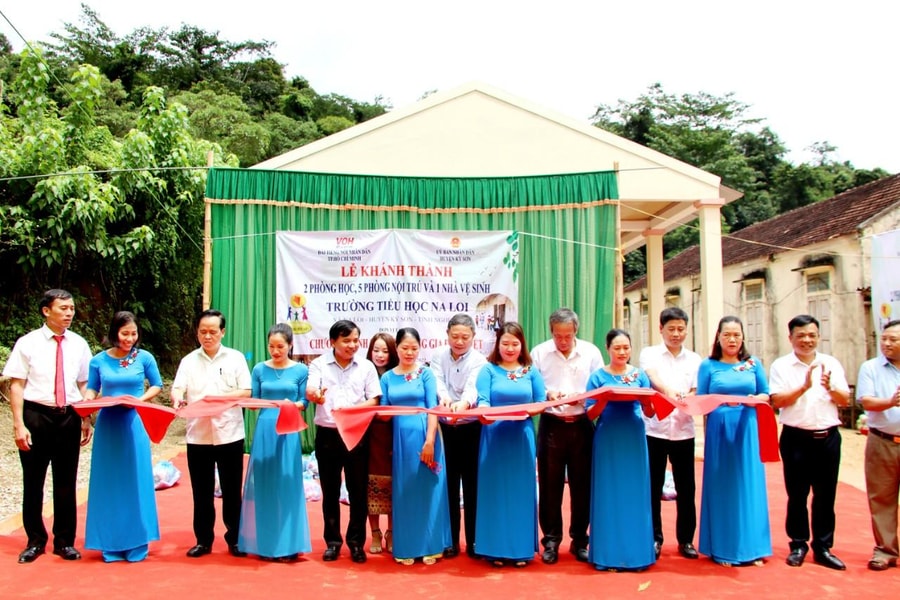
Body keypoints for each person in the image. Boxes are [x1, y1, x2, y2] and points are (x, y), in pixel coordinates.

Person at [4, 289, 93, 563]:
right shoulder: (28, 343)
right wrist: (19, 424)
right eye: (63, 308)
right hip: (36, 416)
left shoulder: (79, 344)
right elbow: (16, 384)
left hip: (68, 416)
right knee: (33, 481)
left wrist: (86, 416)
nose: (69, 313)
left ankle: (64, 541)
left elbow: (85, 383)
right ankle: (35, 540)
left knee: (66, 482)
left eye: (71, 308)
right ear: (46, 311)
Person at [769, 314, 849, 570]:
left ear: (819, 336)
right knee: (797, 495)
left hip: (827, 438)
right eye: (801, 335)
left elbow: (845, 399)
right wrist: (803, 387)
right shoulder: (781, 366)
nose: (807, 340)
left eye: (812, 335)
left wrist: (831, 388)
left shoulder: (831, 363)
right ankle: (798, 544)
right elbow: (777, 401)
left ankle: (823, 547)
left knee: (826, 495)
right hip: (796, 438)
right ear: (790, 337)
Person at [84, 311, 163, 562]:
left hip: (134, 422)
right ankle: (110, 542)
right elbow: (92, 389)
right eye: (124, 333)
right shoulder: (98, 361)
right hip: (108, 424)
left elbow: (157, 385)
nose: (129, 338)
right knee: (108, 482)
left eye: (133, 333)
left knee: (136, 480)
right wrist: (86, 405)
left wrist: (139, 400)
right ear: (114, 333)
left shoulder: (144, 358)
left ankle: (137, 541)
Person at [171, 309, 251, 558]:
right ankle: (203, 540)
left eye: (213, 332)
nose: (207, 336)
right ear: (197, 333)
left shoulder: (235, 358)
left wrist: (218, 399)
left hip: (229, 433)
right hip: (199, 434)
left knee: (231, 490)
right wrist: (177, 398)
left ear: (222, 332)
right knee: (201, 492)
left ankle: (235, 539)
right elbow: (178, 388)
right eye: (203, 332)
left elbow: (246, 391)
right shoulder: (188, 361)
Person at [530, 308, 604, 564]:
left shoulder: (591, 352)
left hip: (582, 424)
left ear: (576, 331)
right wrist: (548, 394)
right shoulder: (539, 353)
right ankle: (551, 541)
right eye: (558, 336)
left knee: (582, 485)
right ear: (551, 331)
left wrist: (584, 399)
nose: (563, 341)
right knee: (549, 486)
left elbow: (600, 386)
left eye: (568, 336)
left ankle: (580, 540)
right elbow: (533, 387)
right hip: (552, 424)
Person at [697, 316, 771, 566]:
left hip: (747, 428)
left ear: (743, 337)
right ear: (718, 337)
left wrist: (753, 399)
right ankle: (723, 548)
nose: (732, 339)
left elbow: (765, 393)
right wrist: (720, 401)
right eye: (727, 334)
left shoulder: (753, 364)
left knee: (748, 485)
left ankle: (753, 549)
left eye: (736, 335)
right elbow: (701, 400)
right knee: (723, 486)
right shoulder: (708, 365)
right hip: (720, 429)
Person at [307, 320, 381, 563]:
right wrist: (316, 396)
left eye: (355, 340)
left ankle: (356, 543)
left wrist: (351, 411)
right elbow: (311, 391)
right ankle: (333, 542)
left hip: (357, 433)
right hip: (328, 434)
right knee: (329, 491)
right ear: (333, 342)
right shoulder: (319, 364)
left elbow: (374, 400)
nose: (352, 345)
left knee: (358, 491)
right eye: (346, 340)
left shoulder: (366, 366)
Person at [237, 323, 311, 561]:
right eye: (271, 346)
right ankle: (264, 544)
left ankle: (288, 545)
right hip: (265, 429)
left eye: (280, 346)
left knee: (287, 485)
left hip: (288, 428)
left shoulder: (301, 370)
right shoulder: (259, 369)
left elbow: (304, 403)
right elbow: (254, 401)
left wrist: (289, 405)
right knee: (264, 485)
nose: (275, 351)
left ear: (290, 345)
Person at [474, 322, 545, 567]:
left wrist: (525, 411)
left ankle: (520, 549)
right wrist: (485, 412)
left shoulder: (531, 372)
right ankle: (494, 549)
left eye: (515, 344)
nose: (510, 348)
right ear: (498, 345)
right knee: (494, 491)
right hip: (494, 436)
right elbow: (483, 400)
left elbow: (541, 402)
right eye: (505, 343)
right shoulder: (488, 370)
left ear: (522, 345)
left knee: (520, 491)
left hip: (521, 437)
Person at [585, 329, 656, 571]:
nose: (622, 352)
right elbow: (590, 414)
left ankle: (637, 555)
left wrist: (646, 400)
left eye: (626, 348)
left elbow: (650, 412)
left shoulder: (639, 375)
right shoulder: (597, 376)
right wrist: (604, 399)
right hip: (608, 437)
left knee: (635, 493)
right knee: (608, 492)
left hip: (633, 437)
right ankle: (608, 556)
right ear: (607, 349)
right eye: (617, 348)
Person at [380, 327, 451, 565]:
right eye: (405, 348)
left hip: (426, 435)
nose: (409, 353)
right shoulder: (387, 378)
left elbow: (432, 408)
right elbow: (384, 413)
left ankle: (432, 546)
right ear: (396, 348)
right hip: (401, 440)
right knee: (406, 491)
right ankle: (407, 547)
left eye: (414, 348)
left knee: (428, 491)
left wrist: (430, 441)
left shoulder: (425, 374)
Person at [638, 307, 702, 560]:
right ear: (661, 329)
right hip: (655, 429)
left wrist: (688, 397)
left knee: (687, 488)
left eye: (681, 329)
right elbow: (652, 378)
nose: (676, 334)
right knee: (652, 487)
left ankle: (686, 540)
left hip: (684, 430)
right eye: (671, 329)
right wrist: (669, 392)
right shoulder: (649, 354)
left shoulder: (695, 360)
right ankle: (654, 538)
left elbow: (697, 389)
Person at [430, 314, 487, 559]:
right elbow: (437, 382)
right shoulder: (438, 356)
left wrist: (463, 404)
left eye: (465, 337)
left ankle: (474, 541)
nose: (460, 341)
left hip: (471, 428)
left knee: (473, 485)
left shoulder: (479, 360)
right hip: (446, 429)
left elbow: (474, 388)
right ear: (447, 334)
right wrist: (444, 400)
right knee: (448, 485)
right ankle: (450, 541)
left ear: (474, 336)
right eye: (455, 336)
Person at [856, 319, 900, 571]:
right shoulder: (871, 367)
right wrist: (891, 402)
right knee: (881, 497)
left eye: (893, 339)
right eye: (884, 339)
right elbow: (867, 402)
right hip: (882, 440)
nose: (887, 344)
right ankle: (885, 550)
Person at [365, 332, 398, 554]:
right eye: (376, 350)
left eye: (385, 351)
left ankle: (392, 532)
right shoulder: (363, 372)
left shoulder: (397, 375)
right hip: (369, 435)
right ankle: (375, 532)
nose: (380, 355)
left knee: (394, 485)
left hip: (393, 434)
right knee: (371, 485)